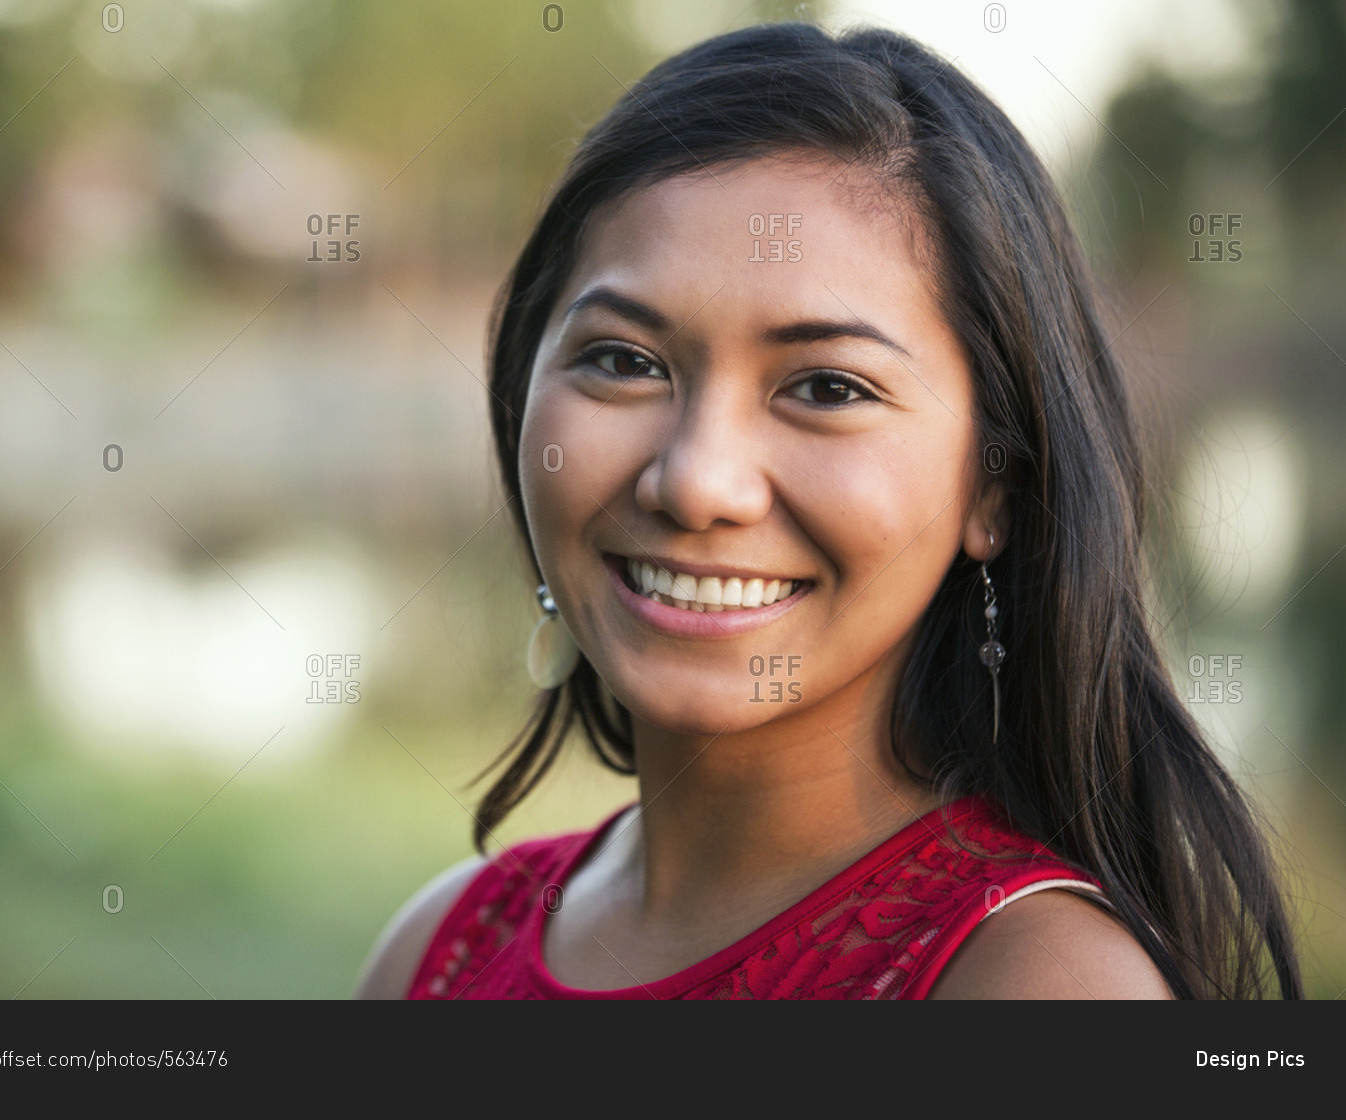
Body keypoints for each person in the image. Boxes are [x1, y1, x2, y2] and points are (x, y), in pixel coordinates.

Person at [357, 21, 1301, 999]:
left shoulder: (1036, 982)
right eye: (624, 361)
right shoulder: (437, 951)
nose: (695, 482)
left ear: (995, 486)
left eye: (827, 387)